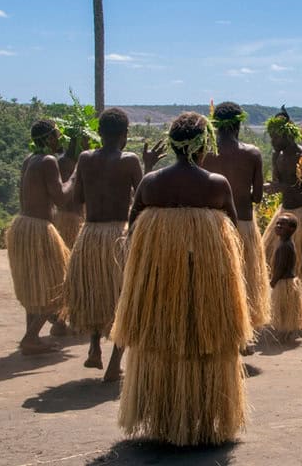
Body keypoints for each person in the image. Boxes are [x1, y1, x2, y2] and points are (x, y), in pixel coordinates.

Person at [111, 112, 251, 446]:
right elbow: (234, 232)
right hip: (207, 284)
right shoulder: (216, 185)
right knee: (203, 341)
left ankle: (164, 418)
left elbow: (132, 227)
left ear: (173, 145)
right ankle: (200, 418)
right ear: (204, 146)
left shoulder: (151, 183)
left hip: (158, 284)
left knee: (162, 339)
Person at [62, 108, 163, 382]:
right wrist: (149, 166)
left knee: (95, 292)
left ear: (99, 132)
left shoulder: (85, 159)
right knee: (124, 297)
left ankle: (94, 347)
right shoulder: (129, 160)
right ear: (124, 134)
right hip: (119, 236)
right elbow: (143, 197)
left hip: (90, 236)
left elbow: (77, 199)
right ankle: (114, 365)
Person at [5, 119, 74, 355]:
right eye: (58, 135)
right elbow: (61, 198)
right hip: (39, 229)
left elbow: (22, 194)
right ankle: (31, 336)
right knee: (62, 284)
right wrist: (75, 176)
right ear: (50, 138)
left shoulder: (29, 159)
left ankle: (32, 338)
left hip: (23, 225)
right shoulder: (48, 161)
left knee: (33, 283)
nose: (60, 140)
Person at [202, 102, 270, 331]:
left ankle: (219, 327)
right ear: (238, 125)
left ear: (216, 125)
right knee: (246, 279)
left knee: (218, 280)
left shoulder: (205, 153)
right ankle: (244, 332)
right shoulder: (252, 153)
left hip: (214, 226)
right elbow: (258, 197)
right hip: (244, 224)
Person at [262, 107, 302, 324]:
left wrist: (279, 187)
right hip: (285, 212)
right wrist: (271, 186)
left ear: (286, 135)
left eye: (275, 137)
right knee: (275, 260)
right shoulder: (278, 155)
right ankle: (285, 308)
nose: (272, 142)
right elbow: (278, 182)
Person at [269, 212, 302, 339]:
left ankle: (285, 333)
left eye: (283, 224)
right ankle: (287, 332)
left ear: (292, 229)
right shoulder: (285, 243)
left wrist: (273, 281)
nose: (278, 226)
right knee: (287, 309)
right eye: (277, 223)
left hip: (284, 282)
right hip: (288, 282)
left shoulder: (285, 246)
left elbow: (281, 267)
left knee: (284, 309)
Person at [53, 138, 86, 250]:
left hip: (79, 218)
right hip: (68, 218)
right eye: (85, 141)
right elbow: (64, 195)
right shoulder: (64, 163)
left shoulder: (83, 161)